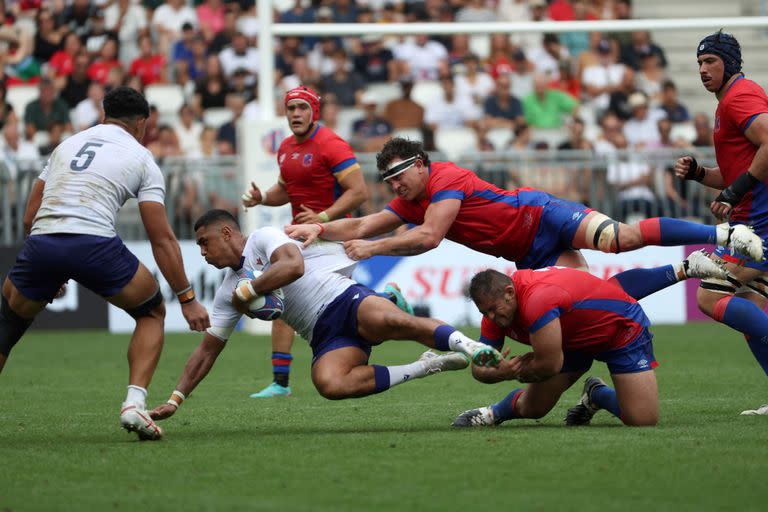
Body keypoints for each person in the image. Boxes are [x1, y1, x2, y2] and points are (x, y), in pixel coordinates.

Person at [147, 210, 500, 422]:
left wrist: (251, 291)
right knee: (329, 384)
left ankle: (469, 346)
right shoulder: (228, 292)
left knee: (394, 322)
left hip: (343, 298)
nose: (203, 252)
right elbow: (207, 351)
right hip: (325, 336)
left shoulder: (262, 238)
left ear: (226, 233)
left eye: (204, 242)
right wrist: (175, 399)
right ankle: (425, 366)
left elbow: (293, 264)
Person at [0, 87, 210, 441]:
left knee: (8, 319)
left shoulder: (66, 146)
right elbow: (161, 238)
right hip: (93, 242)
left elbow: (30, 216)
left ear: (103, 115)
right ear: (141, 123)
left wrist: (52, 266)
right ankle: (133, 404)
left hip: (43, 241)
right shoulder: (142, 158)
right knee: (151, 312)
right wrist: (187, 299)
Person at [287, 137, 763, 274]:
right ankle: (686, 270)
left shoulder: (445, 179)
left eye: (399, 175)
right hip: (529, 252)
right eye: (387, 179)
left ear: (422, 165)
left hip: (542, 214)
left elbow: (430, 238)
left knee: (621, 240)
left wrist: (372, 250)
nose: (394, 186)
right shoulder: (410, 200)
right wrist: (319, 230)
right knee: (588, 306)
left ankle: (722, 235)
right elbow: (366, 222)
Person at [451, 255, 726, 428]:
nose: (490, 318)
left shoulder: (537, 300)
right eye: (483, 312)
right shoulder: (493, 312)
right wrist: (496, 373)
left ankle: (597, 394)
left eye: (492, 309)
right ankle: (491, 414)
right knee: (533, 409)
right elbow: (479, 366)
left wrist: (515, 371)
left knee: (642, 420)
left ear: (510, 293)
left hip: (620, 330)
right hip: (571, 341)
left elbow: (549, 364)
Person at [239, 86, 380, 399]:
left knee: (310, 302)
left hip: (332, 237)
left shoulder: (331, 144)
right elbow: (285, 190)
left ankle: (390, 302)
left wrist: (323, 219)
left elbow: (359, 192)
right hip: (304, 238)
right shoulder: (286, 147)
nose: (296, 114)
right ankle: (280, 381)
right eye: (291, 109)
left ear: (314, 112)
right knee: (284, 302)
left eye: (302, 108)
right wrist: (262, 197)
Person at [674, 31, 768, 416]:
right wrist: (700, 174)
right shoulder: (726, 102)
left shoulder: (740, 96)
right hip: (750, 222)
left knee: (709, 297)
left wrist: (733, 192)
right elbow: (738, 171)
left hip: (757, 226)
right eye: (699, 63)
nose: (702, 70)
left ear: (729, 62)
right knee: (751, 304)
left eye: (710, 61)